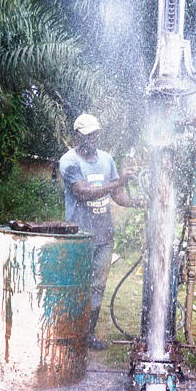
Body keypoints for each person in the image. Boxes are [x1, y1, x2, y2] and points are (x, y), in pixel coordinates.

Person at [59, 113, 139, 350]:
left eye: (96, 134)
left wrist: (139, 202)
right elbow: (83, 192)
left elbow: (117, 195)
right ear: (77, 136)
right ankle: (70, 332)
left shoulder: (107, 160)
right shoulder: (69, 161)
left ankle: (88, 334)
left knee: (97, 286)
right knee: (77, 285)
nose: (93, 139)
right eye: (88, 135)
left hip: (104, 236)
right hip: (80, 238)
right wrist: (119, 182)